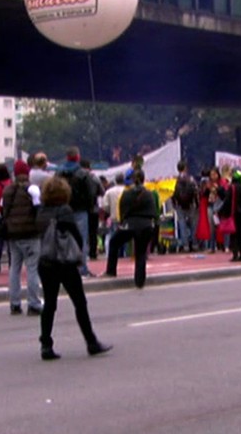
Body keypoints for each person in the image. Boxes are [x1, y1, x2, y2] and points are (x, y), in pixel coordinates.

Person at [35, 176, 111, 360]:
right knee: (79, 303)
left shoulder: (41, 211)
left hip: (45, 262)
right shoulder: (65, 210)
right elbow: (76, 236)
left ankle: (46, 344)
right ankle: (91, 342)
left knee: (50, 304)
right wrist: (79, 257)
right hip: (65, 263)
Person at [104, 170, 159, 288]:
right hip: (145, 225)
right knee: (140, 253)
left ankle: (111, 270)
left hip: (129, 224)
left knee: (114, 242)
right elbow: (154, 212)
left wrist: (123, 221)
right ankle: (139, 281)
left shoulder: (127, 193)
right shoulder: (148, 194)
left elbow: (122, 210)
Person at [2, 160, 43, 315]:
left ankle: (15, 303)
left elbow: (3, 209)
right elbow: (39, 209)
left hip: (13, 233)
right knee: (32, 268)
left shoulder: (7, 190)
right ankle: (33, 303)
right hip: (30, 232)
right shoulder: (32, 189)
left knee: (14, 268)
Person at [56, 147, 99, 277]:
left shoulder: (59, 173)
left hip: (63, 209)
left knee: (63, 239)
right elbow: (91, 192)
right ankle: (82, 268)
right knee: (81, 239)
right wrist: (89, 206)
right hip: (80, 209)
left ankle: (65, 267)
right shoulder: (83, 174)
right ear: (77, 157)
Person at [172, 161, 199, 253]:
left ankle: (185, 245)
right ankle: (194, 244)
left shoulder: (175, 180)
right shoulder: (190, 179)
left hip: (179, 205)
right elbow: (195, 191)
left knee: (182, 225)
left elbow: (173, 193)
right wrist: (196, 203)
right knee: (193, 225)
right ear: (185, 168)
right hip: (191, 204)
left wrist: (174, 204)